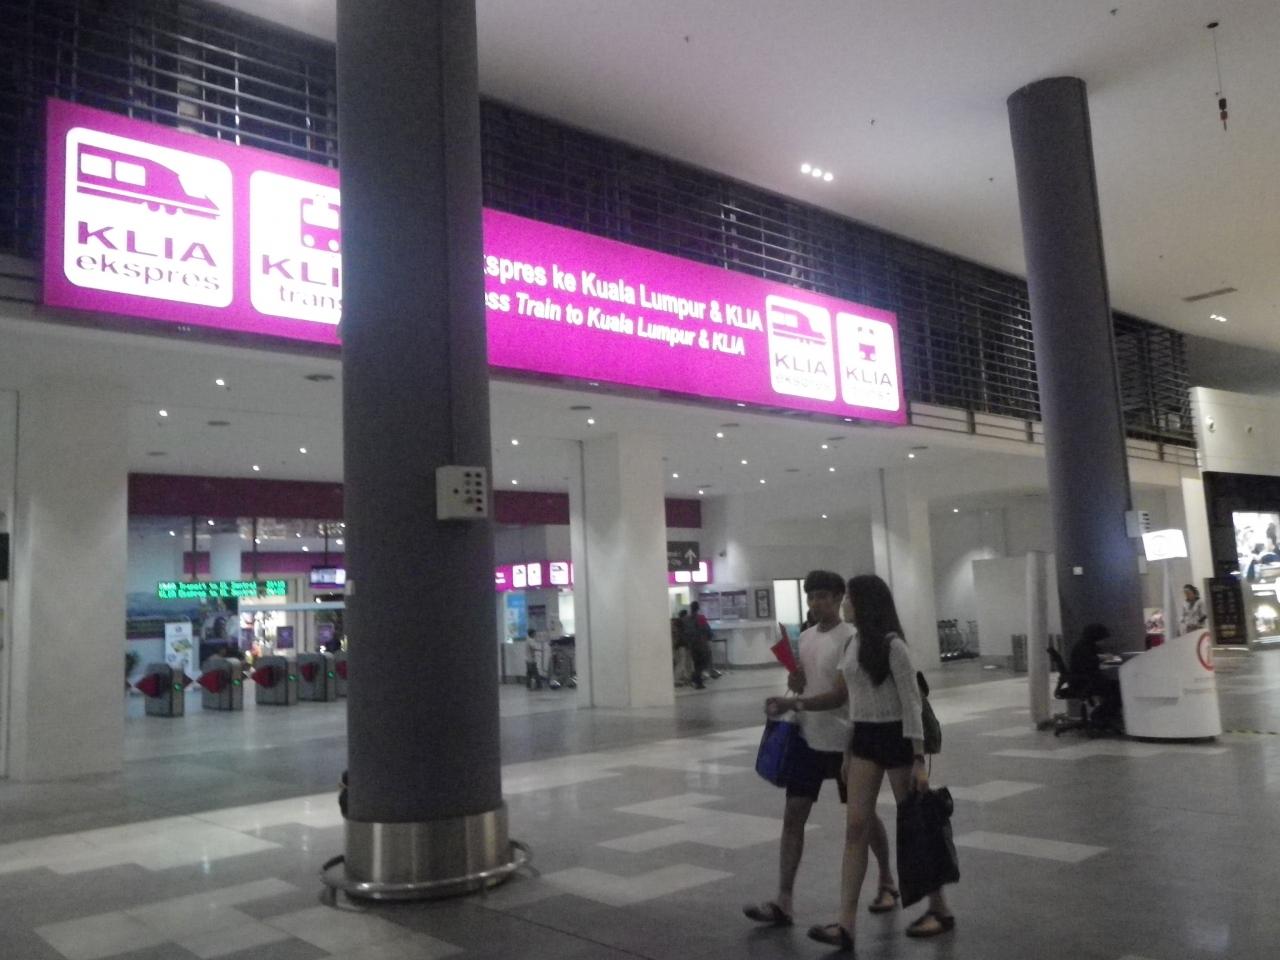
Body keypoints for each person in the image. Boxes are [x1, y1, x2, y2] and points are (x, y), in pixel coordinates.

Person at [767, 574, 954, 951]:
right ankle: (846, 924)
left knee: (914, 824)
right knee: (856, 828)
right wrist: (850, 749)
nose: (846, 604)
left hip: (897, 739)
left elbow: (911, 703)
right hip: (864, 739)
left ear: (866, 603)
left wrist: (919, 758)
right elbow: (854, 700)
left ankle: (939, 907)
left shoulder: (893, 646)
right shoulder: (853, 644)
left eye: (850, 598)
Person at [744, 571, 897, 929]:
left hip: (846, 741)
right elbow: (806, 683)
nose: (816, 603)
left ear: (840, 598)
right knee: (793, 816)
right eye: (811, 597)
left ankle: (887, 880)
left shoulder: (852, 638)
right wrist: (794, 683)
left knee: (862, 817)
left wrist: (793, 704)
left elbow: (841, 695)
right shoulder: (807, 636)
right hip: (808, 739)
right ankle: (784, 900)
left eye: (824, 596)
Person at [1069, 622, 1121, 721]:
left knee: (1115, 688)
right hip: (1086, 682)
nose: (1103, 642)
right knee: (1118, 690)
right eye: (1102, 639)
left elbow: (1090, 661)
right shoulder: (1084, 647)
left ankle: (1105, 716)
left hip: (1084, 680)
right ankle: (1099, 716)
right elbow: (1089, 662)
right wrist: (1103, 658)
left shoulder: (1083, 645)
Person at [685, 602, 712, 689]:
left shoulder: (687, 619)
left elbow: (686, 632)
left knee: (696, 663)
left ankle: (697, 680)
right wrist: (710, 637)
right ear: (698, 608)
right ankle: (697, 680)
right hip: (701, 643)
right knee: (703, 662)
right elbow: (706, 629)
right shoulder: (700, 618)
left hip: (692, 644)